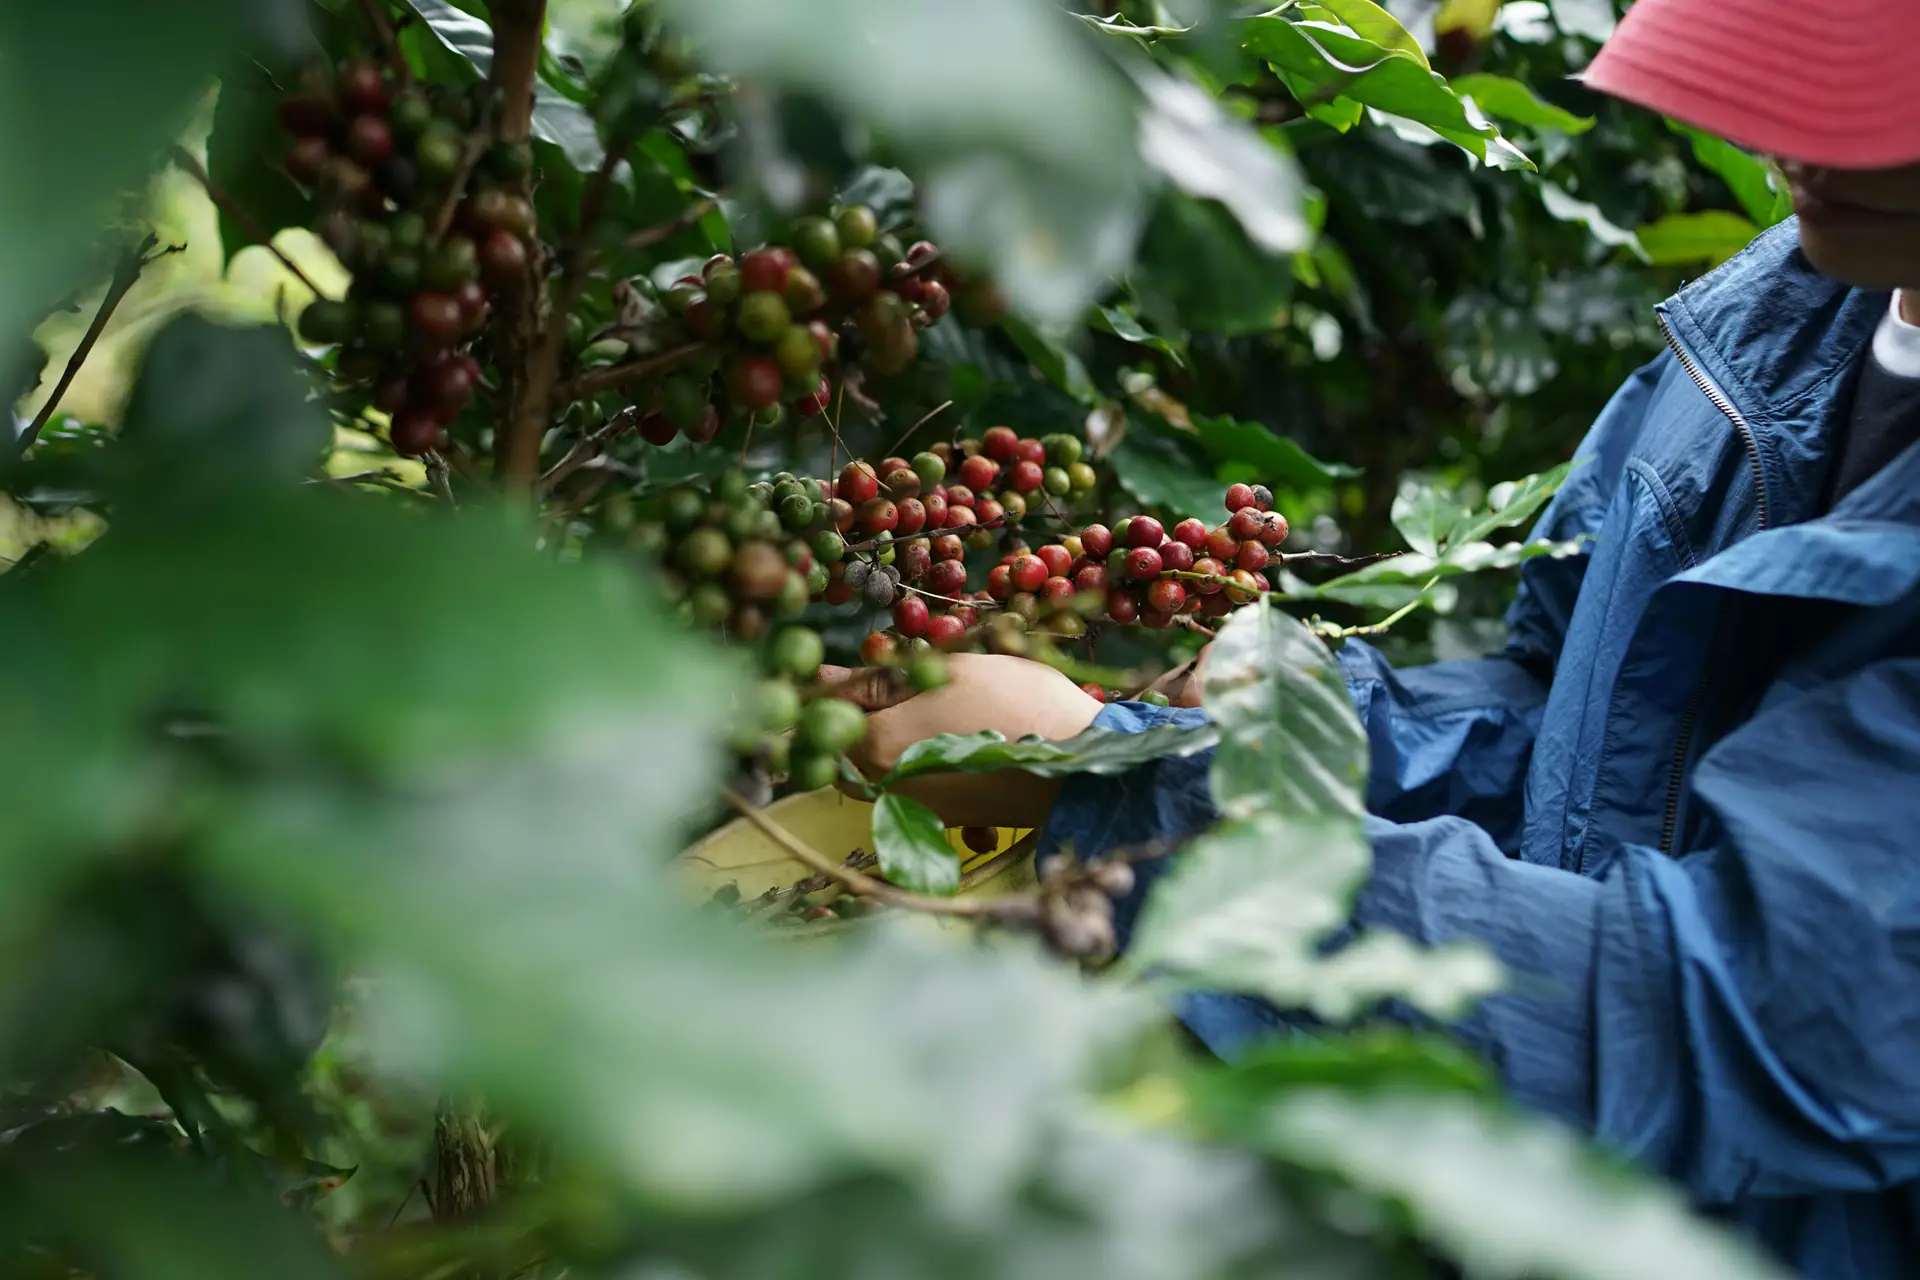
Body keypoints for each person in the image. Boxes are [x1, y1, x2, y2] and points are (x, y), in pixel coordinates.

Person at [823, 0, 1920, 1273]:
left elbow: (1720, 1017)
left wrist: (1121, 791)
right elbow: (1572, 721)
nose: (1791, 142)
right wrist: (1242, 726)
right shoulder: (1779, 324)